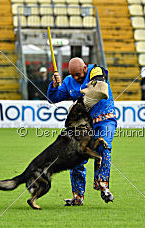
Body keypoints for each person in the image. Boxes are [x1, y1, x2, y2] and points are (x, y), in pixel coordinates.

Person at [47, 57, 117, 206]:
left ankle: (103, 186)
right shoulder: (68, 81)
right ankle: (78, 197)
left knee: (103, 147)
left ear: (85, 68)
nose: (76, 78)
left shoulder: (95, 70)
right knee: (76, 157)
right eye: (73, 75)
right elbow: (53, 98)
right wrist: (54, 85)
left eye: (78, 74)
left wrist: (82, 99)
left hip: (104, 119)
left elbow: (100, 85)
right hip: (82, 127)